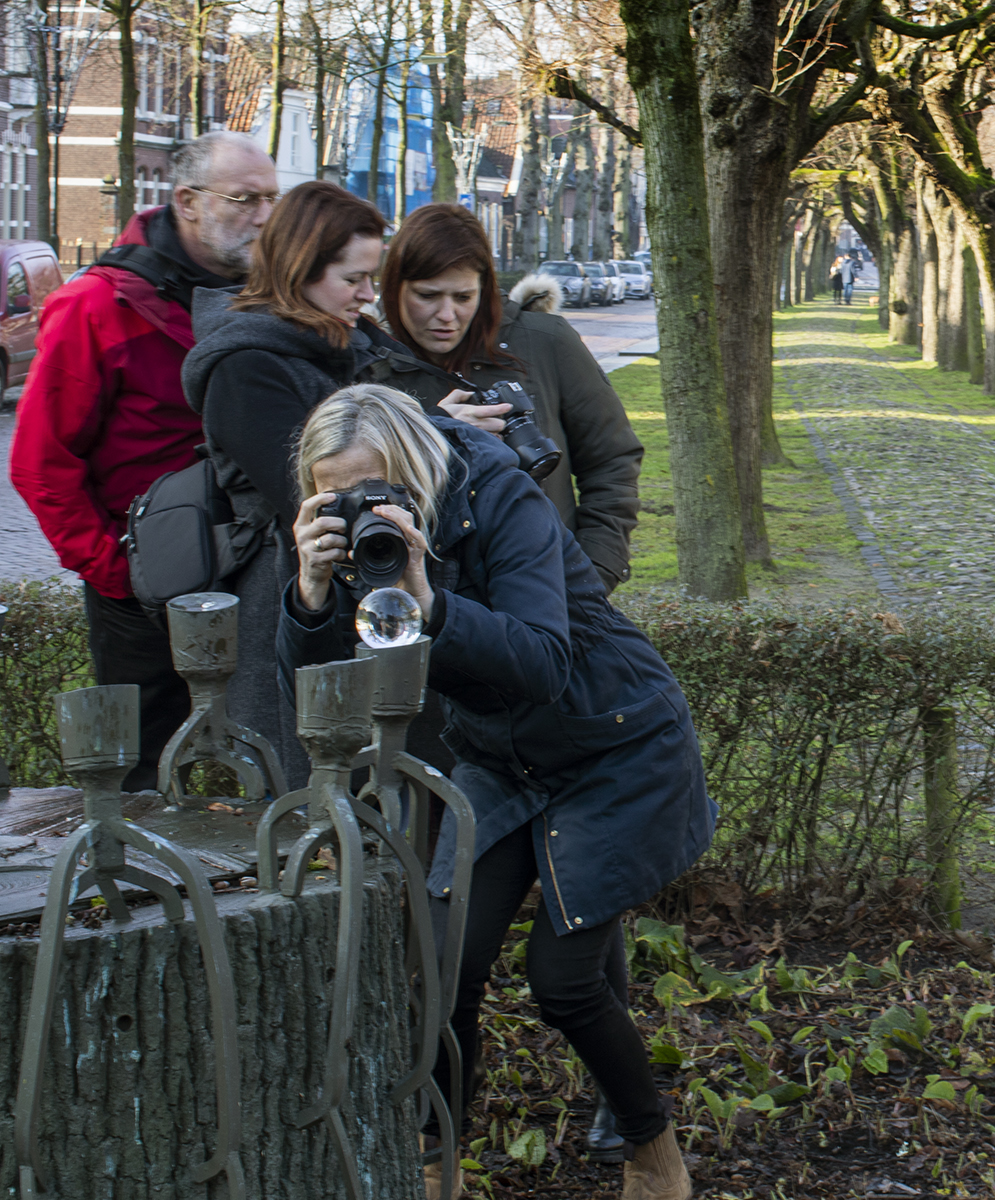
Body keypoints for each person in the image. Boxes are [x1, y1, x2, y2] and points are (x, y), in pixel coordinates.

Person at [281, 383, 712, 1200]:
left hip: (614, 742)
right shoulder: (340, 536)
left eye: (379, 489)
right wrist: (307, 596)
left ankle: (653, 1151)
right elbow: (312, 692)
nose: (362, 508)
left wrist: (430, 597)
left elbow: (544, 662)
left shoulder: (497, 494)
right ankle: (435, 1161)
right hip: (500, 757)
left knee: (563, 980)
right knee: (441, 971)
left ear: (416, 468)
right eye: (336, 494)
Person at [10, 131, 279, 790]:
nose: (265, 219)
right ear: (187, 201)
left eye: (272, 201)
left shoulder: (273, 295)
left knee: (274, 760)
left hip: (258, 574)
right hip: (142, 588)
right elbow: (40, 462)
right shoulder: (96, 304)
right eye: (245, 200)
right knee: (140, 786)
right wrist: (115, 573)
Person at [181, 181, 398, 787]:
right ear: (300, 268)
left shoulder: (342, 345)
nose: (367, 294)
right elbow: (307, 490)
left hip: (346, 592)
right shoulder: (245, 367)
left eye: (371, 278)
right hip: (286, 595)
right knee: (306, 787)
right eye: (352, 278)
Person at [372, 202, 643, 594]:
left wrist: (594, 573)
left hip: (551, 591)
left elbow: (612, 461)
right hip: (428, 602)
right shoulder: (370, 366)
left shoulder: (545, 342)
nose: (446, 315)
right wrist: (434, 432)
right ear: (394, 287)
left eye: (463, 297)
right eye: (427, 296)